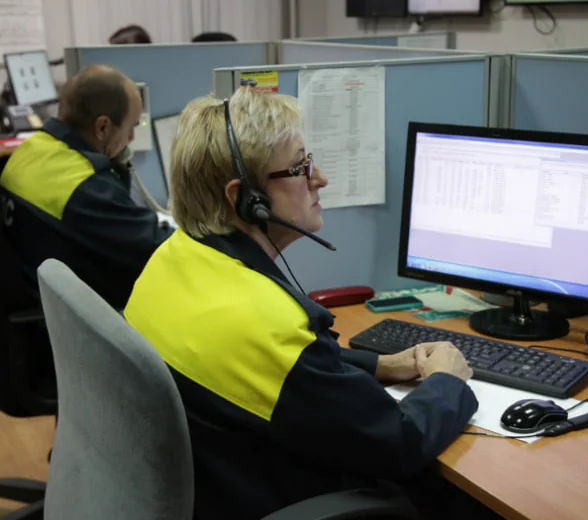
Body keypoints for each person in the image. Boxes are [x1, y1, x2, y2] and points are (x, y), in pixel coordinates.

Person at [124, 86, 497, 519]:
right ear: (244, 198)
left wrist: (382, 364)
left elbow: (276, 368)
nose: (319, 178)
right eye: (300, 166)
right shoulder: (262, 321)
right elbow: (398, 442)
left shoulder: (174, 260)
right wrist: (447, 382)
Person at [0, 64, 173, 310]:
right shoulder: (85, 186)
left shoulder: (31, 149)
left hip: (33, 294)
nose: (131, 138)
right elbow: (159, 250)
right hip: (68, 318)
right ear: (103, 127)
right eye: (131, 127)